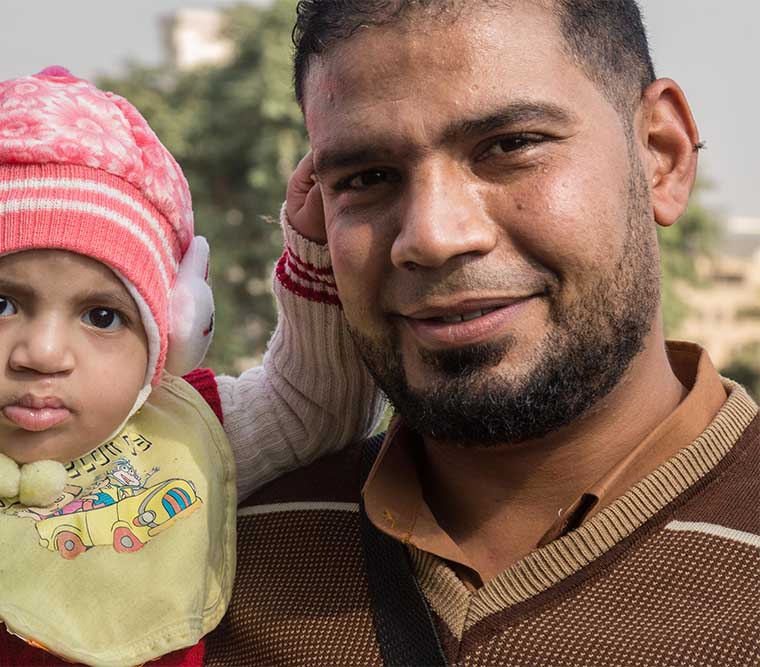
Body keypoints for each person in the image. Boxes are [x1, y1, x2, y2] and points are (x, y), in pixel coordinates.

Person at [0, 67, 383, 666]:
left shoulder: (187, 448)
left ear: (169, 337)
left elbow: (315, 407)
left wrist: (315, 248)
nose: (45, 355)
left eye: (103, 317)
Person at [205, 2, 760, 665]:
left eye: (510, 145)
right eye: (367, 178)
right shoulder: (208, 567)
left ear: (661, 157)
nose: (433, 236)